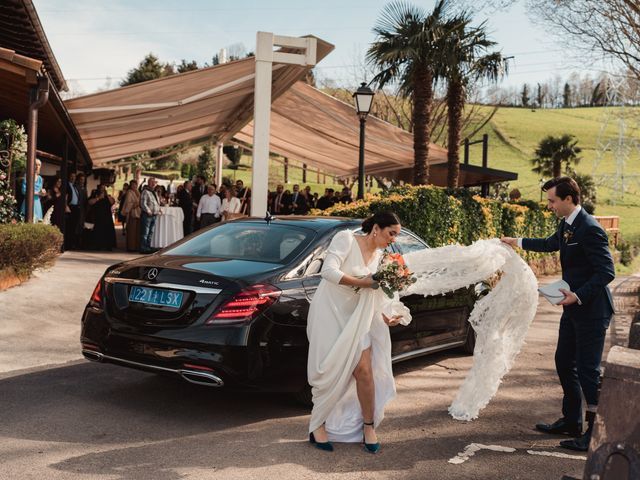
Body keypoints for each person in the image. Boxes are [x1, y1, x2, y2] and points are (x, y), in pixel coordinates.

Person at [501, 176, 615, 452]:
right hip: (572, 309)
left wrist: (578, 295)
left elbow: (606, 272)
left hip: (592, 310)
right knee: (564, 362)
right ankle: (571, 420)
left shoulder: (590, 228)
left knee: (588, 371)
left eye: (552, 200)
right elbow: (549, 243)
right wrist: (515, 241)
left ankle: (594, 432)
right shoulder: (566, 223)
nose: (549, 205)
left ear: (568, 199)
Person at [307, 211, 409, 453]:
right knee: (328, 370)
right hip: (329, 313)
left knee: (364, 371)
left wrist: (387, 314)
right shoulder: (346, 239)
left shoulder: (383, 257)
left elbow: (379, 294)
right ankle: (317, 424)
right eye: (390, 233)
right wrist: (366, 282)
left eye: (396, 235)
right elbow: (328, 272)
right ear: (376, 228)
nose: (393, 239)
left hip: (358, 318)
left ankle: (368, 426)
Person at [87, 184, 116, 251]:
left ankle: (108, 246)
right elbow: (89, 202)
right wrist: (98, 198)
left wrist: (107, 196)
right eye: (101, 188)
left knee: (107, 231)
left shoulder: (107, 196)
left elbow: (112, 202)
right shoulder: (95, 195)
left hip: (107, 217)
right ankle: (98, 245)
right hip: (98, 217)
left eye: (104, 188)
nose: (102, 189)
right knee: (98, 231)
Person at [140, 177, 161, 253]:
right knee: (145, 232)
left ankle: (148, 247)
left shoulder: (154, 192)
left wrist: (159, 209)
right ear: (148, 183)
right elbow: (143, 203)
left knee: (150, 232)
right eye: (152, 182)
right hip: (147, 215)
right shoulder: (145, 191)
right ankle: (143, 248)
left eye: (154, 182)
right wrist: (148, 211)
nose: (153, 184)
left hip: (154, 215)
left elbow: (156, 203)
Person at [121, 179, 141, 252]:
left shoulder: (138, 192)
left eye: (135, 184)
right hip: (132, 213)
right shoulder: (129, 192)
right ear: (131, 185)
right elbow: (128, 203)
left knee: (137, 231)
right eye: (133, 185)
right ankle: (131, 247)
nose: (134, 186)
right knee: (131, 231)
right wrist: (134, 205)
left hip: (138, 213)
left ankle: (136, 246)